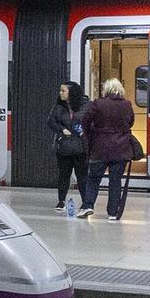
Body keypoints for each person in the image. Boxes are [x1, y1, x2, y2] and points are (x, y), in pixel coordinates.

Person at [77, 77, 137, 222]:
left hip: (100, 147)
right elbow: (131, 122)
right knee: (115, 181)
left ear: (106, 89)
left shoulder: (97, 104)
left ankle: (88, 205)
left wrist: (91, 133)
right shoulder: (127, 104)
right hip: (120, 148)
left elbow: (85, 121)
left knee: (93, 178)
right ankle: (112, 212)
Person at [47, 81, 88, 214]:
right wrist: (61, 129)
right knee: (64, 174)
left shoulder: (87, 105)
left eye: (63, 90)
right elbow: (51, 121)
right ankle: (61, 200)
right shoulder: (58, 107)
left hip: (81, 146)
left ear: (72, 92)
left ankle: (86, 202)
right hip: (64, 146)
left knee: (82, 175)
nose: (60, 93)